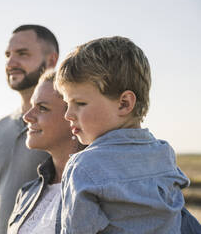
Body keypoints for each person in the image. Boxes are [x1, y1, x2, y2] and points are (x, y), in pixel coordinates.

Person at [55, 36, 191, 233]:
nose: (68, 115)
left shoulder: (83, 167)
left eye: (80, 103)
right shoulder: (164, 154)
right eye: (67, 104)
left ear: (124, 103)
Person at [0, 25, 59, 234]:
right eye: (8, 55)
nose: (11, 63)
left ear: (52, 61)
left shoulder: (69, 126)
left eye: (22, 54)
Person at [7, 71, 86, 234]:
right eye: (31, 107)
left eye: (42, 108)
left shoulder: (98, 190)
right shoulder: (27, 192)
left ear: (73, 117)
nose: (27, 116)